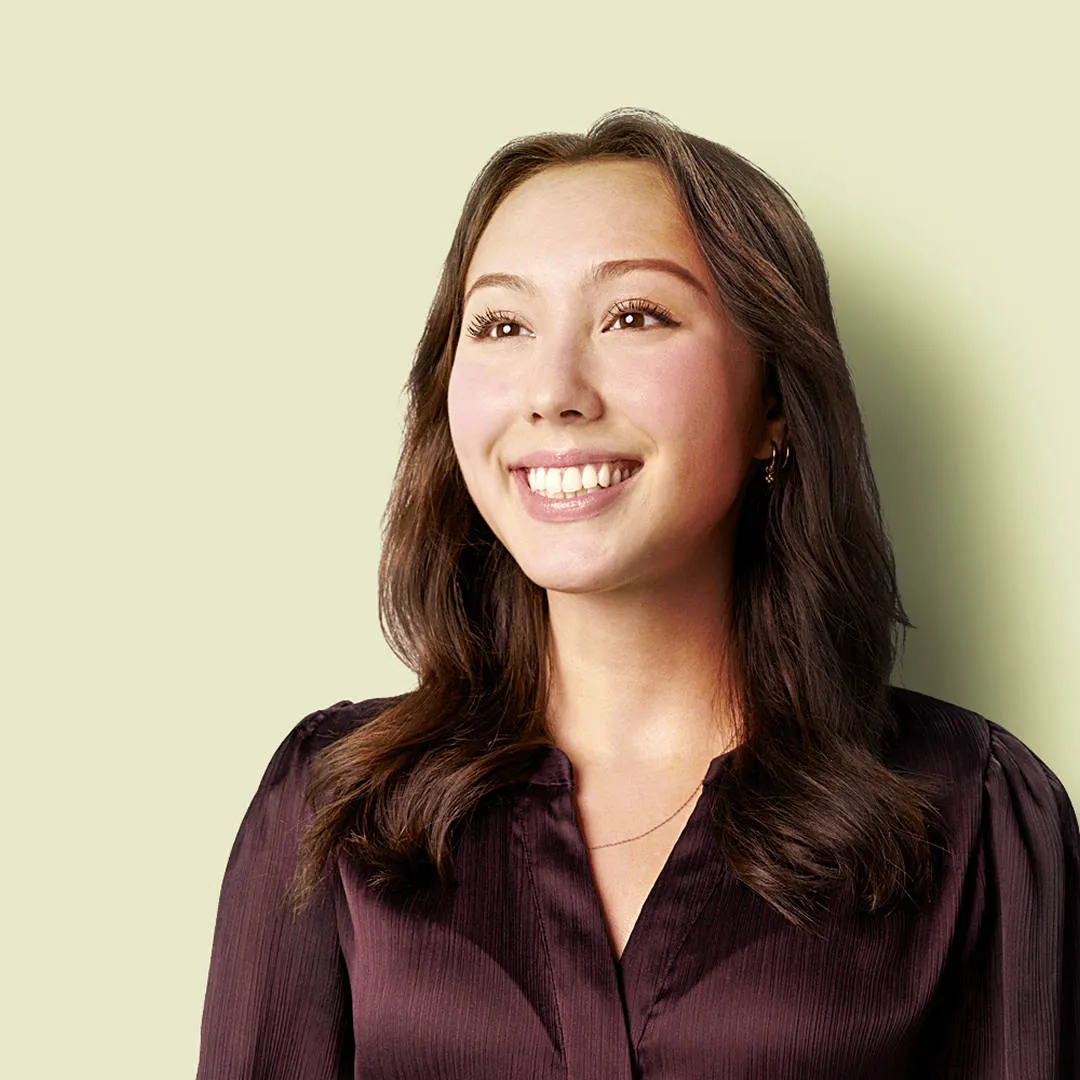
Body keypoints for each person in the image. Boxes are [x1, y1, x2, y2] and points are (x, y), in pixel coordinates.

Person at [196, 108, 1079, 1079]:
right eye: (500, 324)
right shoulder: (337, 804)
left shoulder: (975, 812)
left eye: (634, 317)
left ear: (774, 406)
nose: (555, 390)